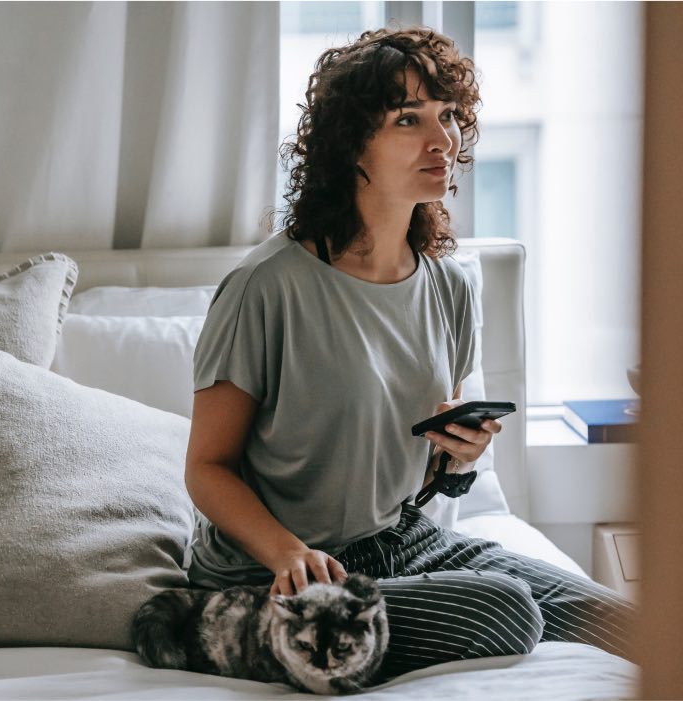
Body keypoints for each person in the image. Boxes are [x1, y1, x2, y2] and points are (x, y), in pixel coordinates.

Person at [184, 26, 635, 676]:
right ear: (352, 145)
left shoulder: (450, 285)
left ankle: (313, 636)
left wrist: (458, 456)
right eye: (407, 118)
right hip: (271, 564)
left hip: (398, 543)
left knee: (629, 623)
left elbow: (414, 480)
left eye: (449, 116)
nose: (443, 139)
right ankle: (227, 620)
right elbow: (207, 466)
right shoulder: (266, 287)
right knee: (506, 611)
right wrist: (286, 552)